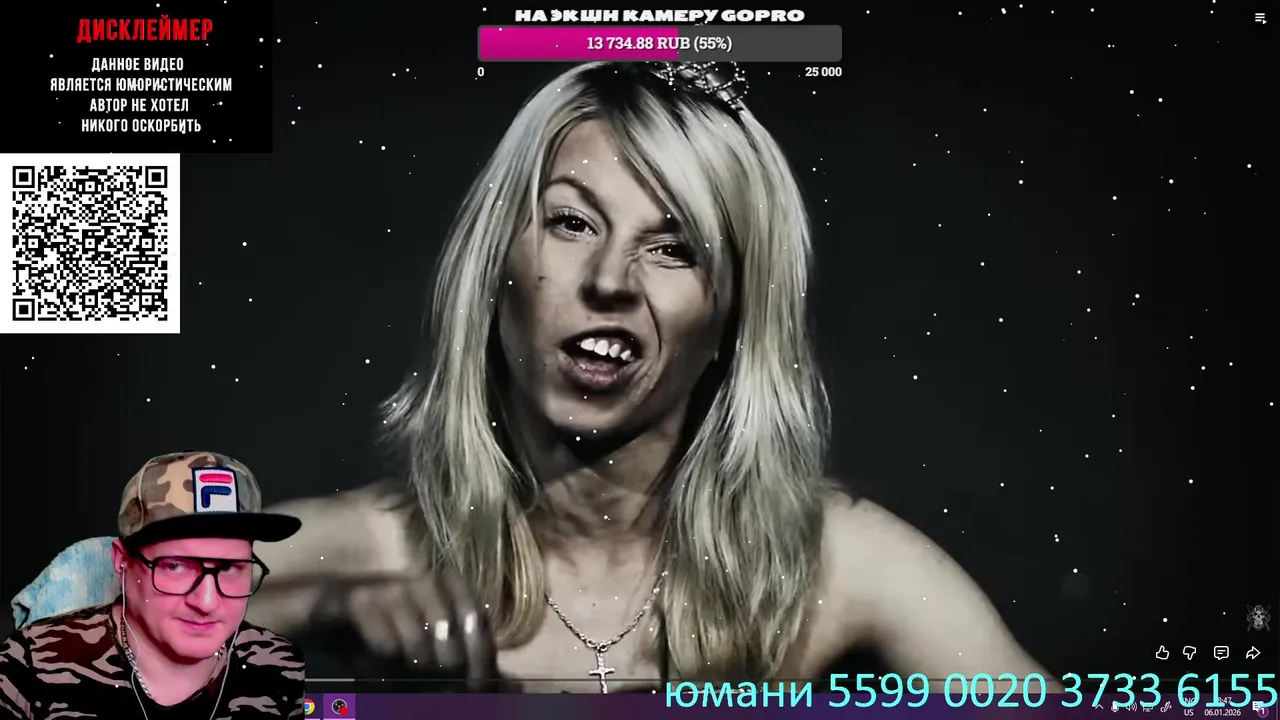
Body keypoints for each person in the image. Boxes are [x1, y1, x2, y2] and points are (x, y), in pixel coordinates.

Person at [0, 451, 306, 718]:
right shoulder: (32, 666)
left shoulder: (284, 668)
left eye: (229, 568)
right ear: (122, 561)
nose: (207, 602)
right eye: (176, 566)